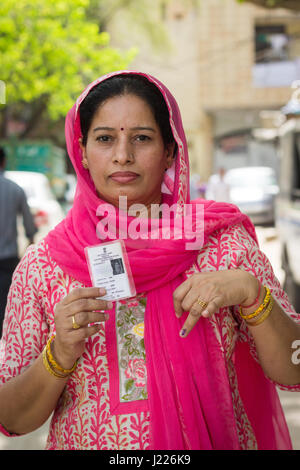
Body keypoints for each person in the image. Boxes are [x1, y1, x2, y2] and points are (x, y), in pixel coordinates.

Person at [0, 71, 299, 451]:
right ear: (83, 153)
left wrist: (254, 296)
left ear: (171, 150)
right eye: (105, 138)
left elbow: (295, 368)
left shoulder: (223, 245)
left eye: (141, 138)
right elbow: (10, 419)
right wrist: (58, 353)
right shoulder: (45, 266)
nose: (123, 154)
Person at [0, 147, 37, 337]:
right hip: (7, 258)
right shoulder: (15, 189)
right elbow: (29, 224)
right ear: (4, 162)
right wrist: (31, 249)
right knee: (5, 304)